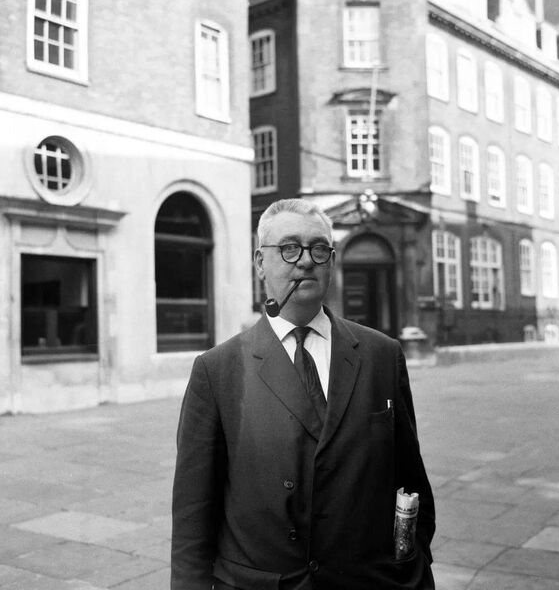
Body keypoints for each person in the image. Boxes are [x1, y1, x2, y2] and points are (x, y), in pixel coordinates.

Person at [171, 198, 435, 590]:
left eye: (319, 249)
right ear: (260, 262)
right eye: (289, 248)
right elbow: (193, 516)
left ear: (331, 261)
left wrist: (414, 571)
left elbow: (411, 480)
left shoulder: (381, 355)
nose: (306, 260)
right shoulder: (217, 369)